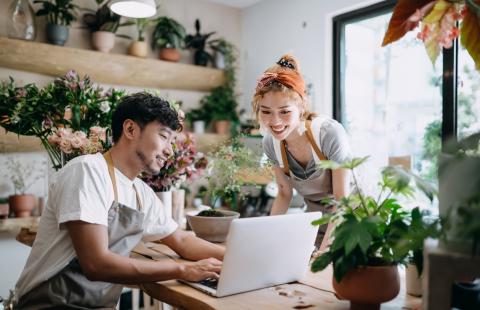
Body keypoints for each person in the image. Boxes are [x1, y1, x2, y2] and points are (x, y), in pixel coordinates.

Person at [14, 93, 224, 309]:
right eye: (163, 136)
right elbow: (96, 264)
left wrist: (236, 256)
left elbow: (181, 241)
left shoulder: (141, 193)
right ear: (130, 129)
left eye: (172, 141)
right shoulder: (87, 171)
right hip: (48, 304)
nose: (170, 150)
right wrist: (182, 271)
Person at [252, 54, 351, 249]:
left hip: (352, 221)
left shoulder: (329, 134)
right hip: (319, 224)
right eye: (265, 112)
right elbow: (283, 192)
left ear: (302, 106)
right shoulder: (271, 144)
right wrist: (267, 238)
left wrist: (323, 253)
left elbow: (343, 201)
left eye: (285, 111)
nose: (275, 122)